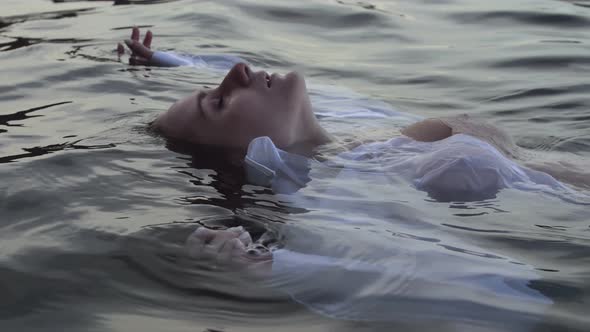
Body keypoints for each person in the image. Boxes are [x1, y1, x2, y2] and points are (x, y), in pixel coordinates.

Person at [118, 27, 586, 326]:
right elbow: (482, 296)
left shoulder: (345, 121)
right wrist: (269, 268)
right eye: (219, 102)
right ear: (242, 157)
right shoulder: (336, 197)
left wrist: (163, 60)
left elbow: (224, 70)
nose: (237, 73)